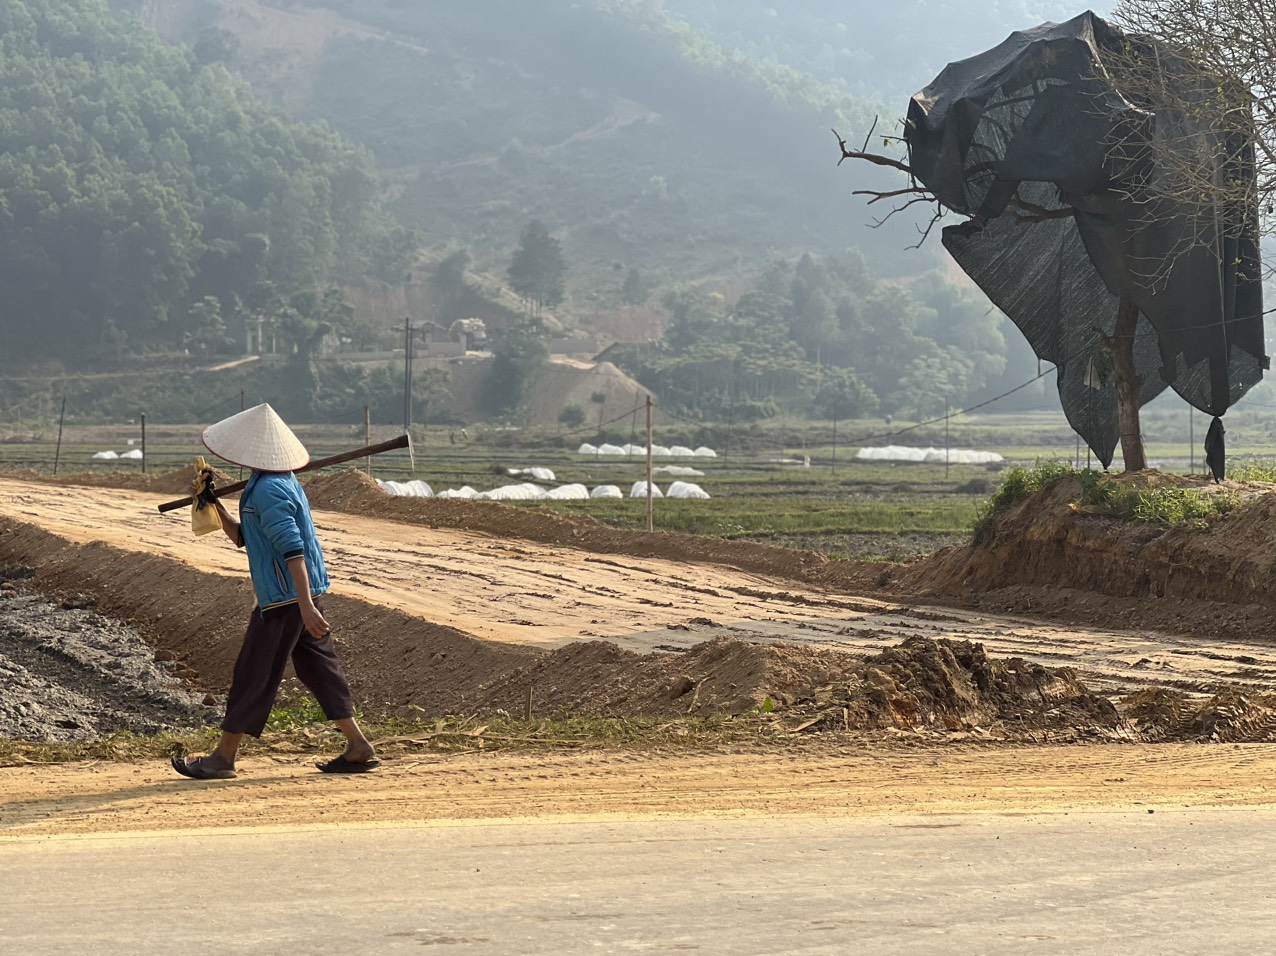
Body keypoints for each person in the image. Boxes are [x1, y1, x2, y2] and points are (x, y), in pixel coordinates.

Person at [172, 403, 379, 779]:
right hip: (298, 597)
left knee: (254, 672)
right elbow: (243, 539)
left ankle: (223, 757)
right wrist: (213, 503)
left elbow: (293, 551)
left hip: (285, 600)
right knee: (320, 670)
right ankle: (358, 744)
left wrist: (304, 608)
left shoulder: (267, 490)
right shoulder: (272, 483)